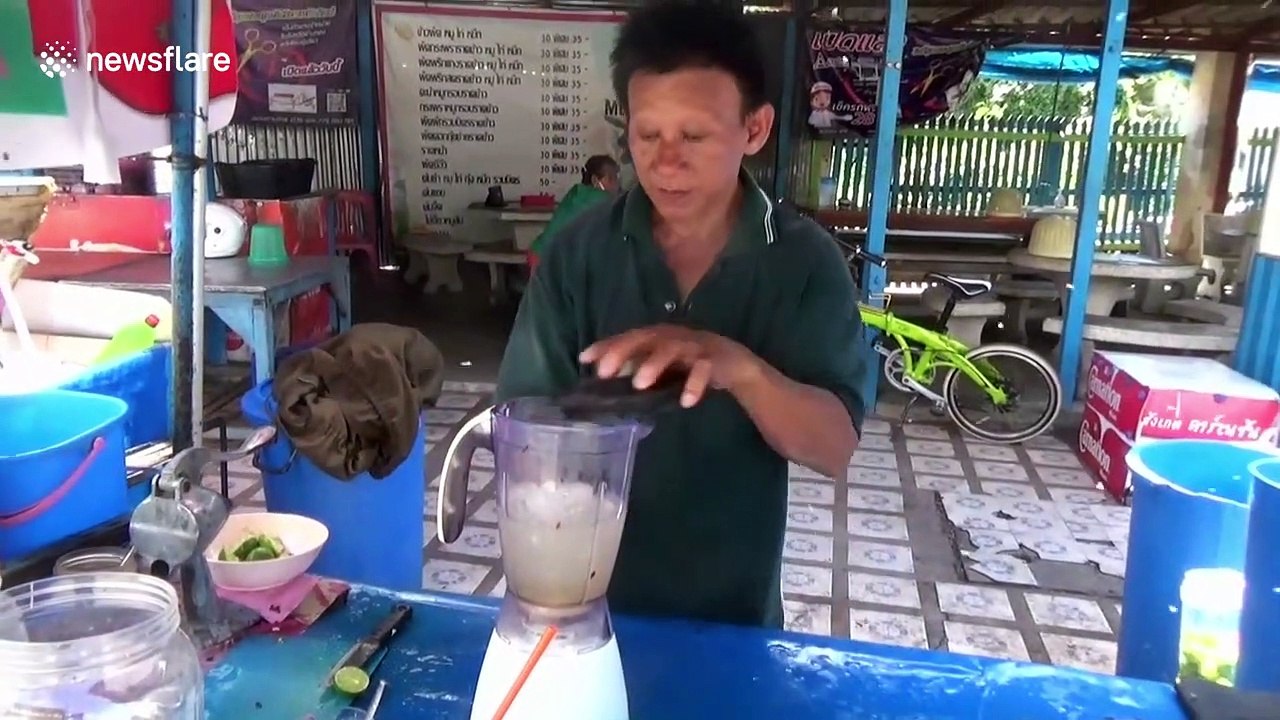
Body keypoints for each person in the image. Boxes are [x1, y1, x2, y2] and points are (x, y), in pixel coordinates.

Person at [495, 0, 865, 629]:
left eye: (693, 135)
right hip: (584, 611)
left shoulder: (803, 262)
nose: (665, 162)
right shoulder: (579, 254)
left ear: (754, 129)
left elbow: (833, 447)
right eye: (647, 135)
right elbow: (525, 428)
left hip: (733, 618)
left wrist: (737, 368)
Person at [527, 155, 620, 270]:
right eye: (611, 178)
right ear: (595, 180)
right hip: (549, 260)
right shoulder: (600, 199)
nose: (616, 184)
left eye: (616, 178)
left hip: (541, 253)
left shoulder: (578, 193)